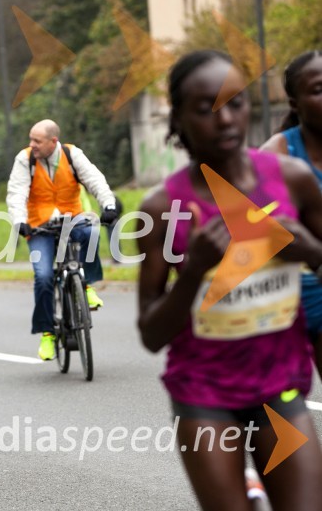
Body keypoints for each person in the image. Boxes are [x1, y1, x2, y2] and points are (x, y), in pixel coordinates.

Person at [137, 50, 322, 510]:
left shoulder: (293, 180)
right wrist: (194, 269)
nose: (225, 119)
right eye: (205, 109)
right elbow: (151, 333)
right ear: (178, 119)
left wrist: (309, 251)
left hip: (280, 388)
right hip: (205, 395)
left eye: (235, 102)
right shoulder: (163, 208)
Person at [6, 119, 118, 360]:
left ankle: (86, 285)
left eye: (37, 140)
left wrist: (108, 204)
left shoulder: (71, 154)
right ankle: (47, 334)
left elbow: (94, 179)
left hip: (72, 218)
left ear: (53, 141)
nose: (31, 144)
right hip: (38, 226)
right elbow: (17, 192)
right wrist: (19, 220)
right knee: (44, 277)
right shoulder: (25, 159)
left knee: (91, 232)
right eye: (31, 139)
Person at [261, 49, 322, 378]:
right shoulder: (277, 155)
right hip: (281, 297)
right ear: (296, 103)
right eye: (318, 90)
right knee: (277, 411)